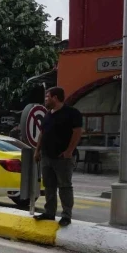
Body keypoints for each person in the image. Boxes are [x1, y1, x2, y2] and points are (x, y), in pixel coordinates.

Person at [34, 87, 83, 226]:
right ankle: (49, 213)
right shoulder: (48, 114)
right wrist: (37, 151)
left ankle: (66, 215)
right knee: (49, 186)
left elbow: (77, 132)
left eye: (47, 97)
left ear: (55, 98)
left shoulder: (72, 113)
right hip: (46, 156)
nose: (45, 100)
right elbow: (42, 134)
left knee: (65, 186)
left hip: (63, 158)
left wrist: (69, 151)